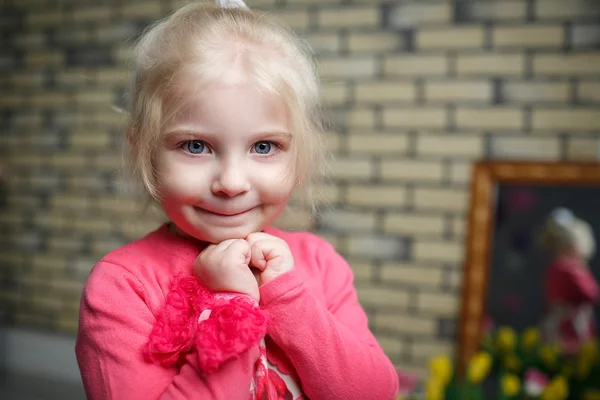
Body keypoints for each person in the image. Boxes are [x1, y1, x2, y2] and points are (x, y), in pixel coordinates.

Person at [74, 1, 400, 399]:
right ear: (145, 150)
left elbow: (374, 392)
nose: (231, 182)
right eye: (196, 145)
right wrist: (232, 305)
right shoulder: (124, 287)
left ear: (299, 158)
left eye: (264, 146)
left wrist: (289, 298)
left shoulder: (320, 264)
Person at [539, 208, 600, 356]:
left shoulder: (556, 266)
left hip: (556, 324)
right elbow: (592, 293)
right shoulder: (571, 268)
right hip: (572, 329)